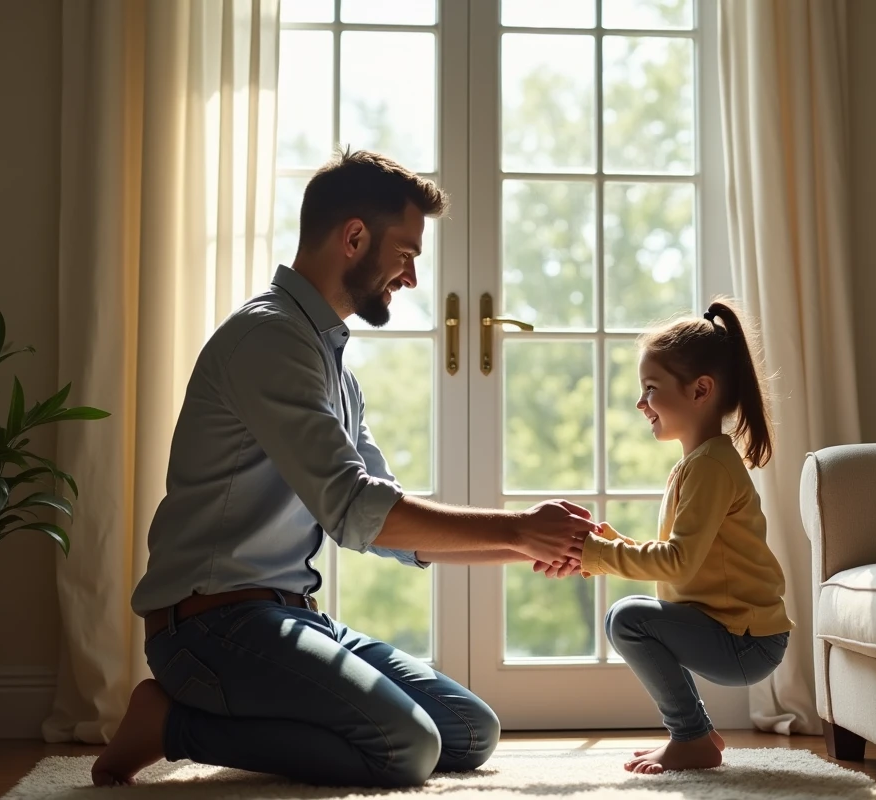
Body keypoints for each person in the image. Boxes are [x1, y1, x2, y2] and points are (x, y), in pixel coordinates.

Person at [91, 149, 597, 789]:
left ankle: (209, 717)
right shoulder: (269, 339)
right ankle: (169, 724)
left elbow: (388, 527)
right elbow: (356, 510)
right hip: (209, 627)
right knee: (406, 747)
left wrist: (529, 545)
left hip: (291, 617)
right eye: (405, 253)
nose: (411, 277)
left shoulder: (329, 362)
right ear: (354, 237)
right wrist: (520, 528)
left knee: (469, 730)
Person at [567, 300, 793, 774]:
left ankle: (690, 736)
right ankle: (697, 733)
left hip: (746, 641)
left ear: (700, 390)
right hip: (737, 633)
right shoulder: (700, 463)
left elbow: (677, 562)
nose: (640, 403)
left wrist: (600, 553)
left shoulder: (709, 467)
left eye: (650, 389)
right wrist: (609, 547)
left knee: (627, 619)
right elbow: (685, 559)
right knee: (630, 616)